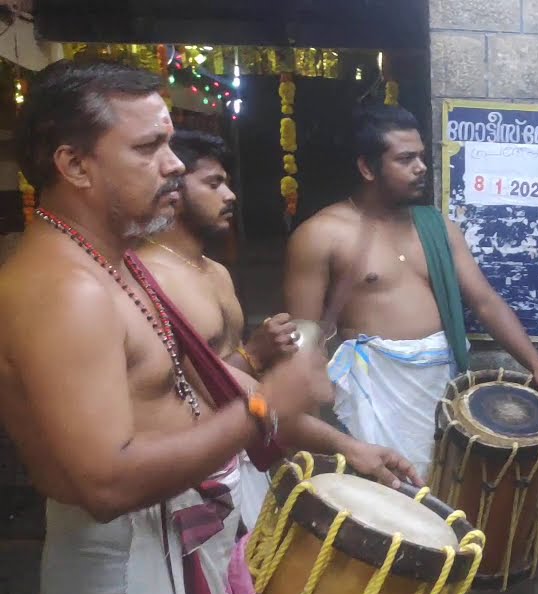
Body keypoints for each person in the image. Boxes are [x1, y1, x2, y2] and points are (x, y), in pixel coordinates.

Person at [0, 59, 332, 594]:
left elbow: (190, 382)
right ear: (75, 165)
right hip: (121, 569)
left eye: (170, 143)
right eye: (149, 146)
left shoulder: (116, 261)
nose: (174, 165)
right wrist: (265, 405)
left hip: (170, 539)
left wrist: (323, 429)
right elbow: (106, 483)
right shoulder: (66, 289)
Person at [283, 104, 538, 594]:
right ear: (367, 166)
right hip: (372, 393)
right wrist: (307, 418)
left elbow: (484, 301)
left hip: (441, 394)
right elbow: (303, 338)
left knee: (443, 517)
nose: (421, 167)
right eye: (405, 158)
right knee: (388, 519)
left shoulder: (436, 228)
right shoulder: (321, 234)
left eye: (421, 156)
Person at [139, 129, 420, 529]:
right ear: (173, 189)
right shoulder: (152, 278)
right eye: (214, 184)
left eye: (228, 183)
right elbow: (192, 394)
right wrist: (255, 356)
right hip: (188, 477)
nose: (230, 196)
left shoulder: (215, 272)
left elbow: (239, 390)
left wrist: (347, 446)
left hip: (239, 457)